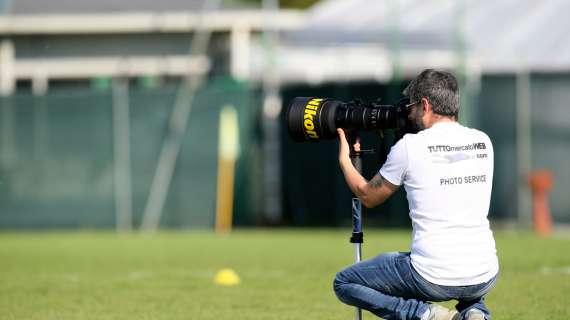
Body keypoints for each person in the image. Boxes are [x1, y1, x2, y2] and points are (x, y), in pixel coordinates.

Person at [334, 69, 499, 320]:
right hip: (484, 274)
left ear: (425, 105)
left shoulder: (410, 147)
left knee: (344, 282)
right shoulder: (483, 141)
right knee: (466, 264)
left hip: (432, 276)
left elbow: (367, 196)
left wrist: (345, 159)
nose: (407, 114)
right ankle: (475, 310)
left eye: (409, 107)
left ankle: (426, 314)